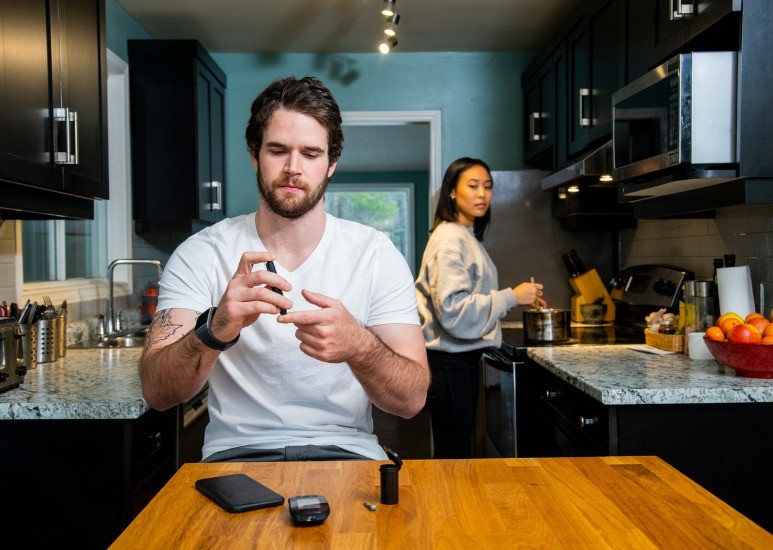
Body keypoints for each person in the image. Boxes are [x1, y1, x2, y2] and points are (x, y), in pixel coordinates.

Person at [139, 76, 430, 462]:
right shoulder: (201, 253)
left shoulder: (375, 254)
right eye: (278, 150)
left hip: (347, 453)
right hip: (237, 456)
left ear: (331, 164)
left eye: (311, 153)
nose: (293, 168)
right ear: (254, 155)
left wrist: (359, 346)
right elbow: (157, 393)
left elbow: (411, 401)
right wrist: (216, 327)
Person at [415, 157, 546, 459]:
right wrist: (511, 297)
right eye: (472, 186)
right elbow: (453, 312)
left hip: (457, 361)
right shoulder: (450, 239)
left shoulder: (464, 236)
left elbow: (468, 299)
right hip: (449, 363)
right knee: (454, 454)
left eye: (487, 187)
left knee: (455, 450)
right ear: (452, 191)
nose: (482, 194)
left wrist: (515, 298)